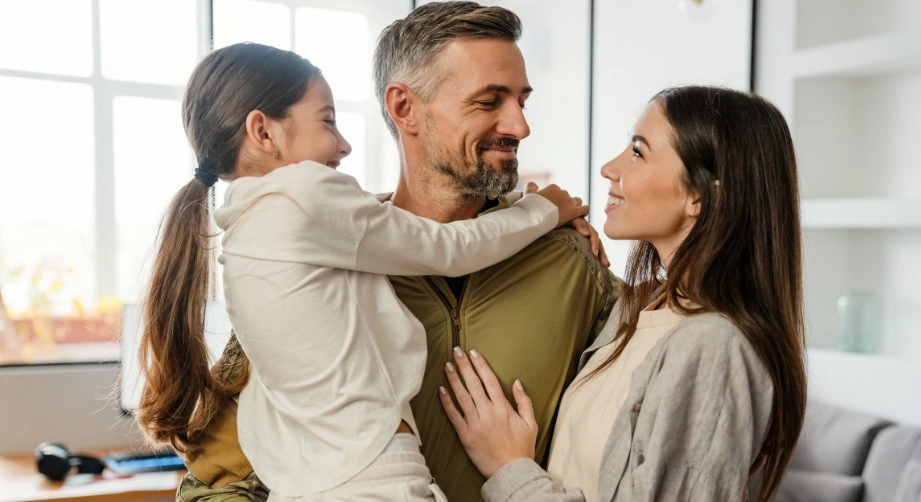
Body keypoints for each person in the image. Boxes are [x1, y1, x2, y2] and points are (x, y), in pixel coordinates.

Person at [173, 3, 620, 502]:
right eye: (489, 101)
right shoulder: (316, 264)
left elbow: (656, 428)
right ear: (404, 107)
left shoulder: (571, 263)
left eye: (522, 101)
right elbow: (213, 485)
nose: (520, 126)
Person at [440, 85, 808, 502]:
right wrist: (540, 228)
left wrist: (511, 470)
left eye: (638, 151)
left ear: (701, 197)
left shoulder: (713, 346)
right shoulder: (640, 310)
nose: (609, 168)